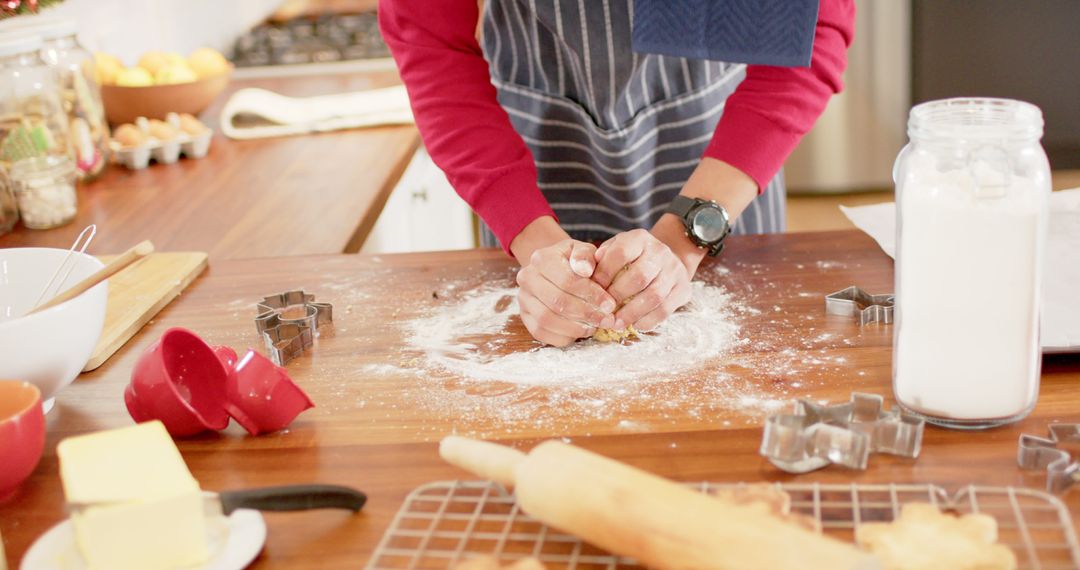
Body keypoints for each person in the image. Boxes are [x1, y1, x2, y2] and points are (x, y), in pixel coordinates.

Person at [380, 0, 855, 346]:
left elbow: (810, 31)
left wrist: (691, 231)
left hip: (725, 152)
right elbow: (432, 46)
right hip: (526, 147)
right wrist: (533, 241)